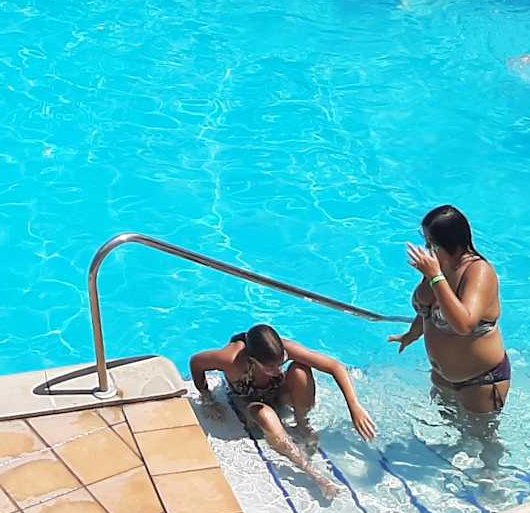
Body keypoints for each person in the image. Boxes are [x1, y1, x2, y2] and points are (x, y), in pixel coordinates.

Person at [190, 322, 375, 497]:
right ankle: (312, 473)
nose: (279, 370)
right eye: (271, 367)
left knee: (301, 370)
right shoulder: (230, 358)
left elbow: (335, 366)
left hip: (278, 394)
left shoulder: (285, 349)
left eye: (281, 363)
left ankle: (302, 424)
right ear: (253, 360)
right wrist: (207, 397)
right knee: (265, 414)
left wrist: (354, 406)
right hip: (251, 404)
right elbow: (196, 363)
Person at [394, 205, 510, 415]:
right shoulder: (441, 265)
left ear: (451, 243)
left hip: (480, 382)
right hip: (443, 378)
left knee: (478, 436)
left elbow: (464, 324)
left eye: (432, 243)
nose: (427, 249)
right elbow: (427, 311)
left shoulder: (478, 272)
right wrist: (412, 334)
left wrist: (435, 276)